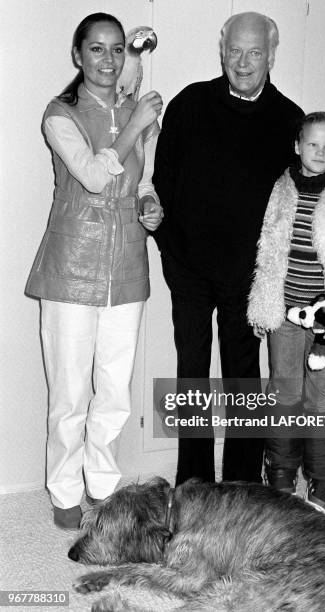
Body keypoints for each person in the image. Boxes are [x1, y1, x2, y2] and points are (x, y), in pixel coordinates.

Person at [153, 12, 325, 486]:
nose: (244, 61)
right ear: (222, 50)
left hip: (251, 278)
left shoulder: (288, 119)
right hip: (189, 270)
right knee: (191, 375)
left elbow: (322, 180)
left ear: (272, 54)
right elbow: (162, 183)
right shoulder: (189, 104)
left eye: (255, 51)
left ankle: (242, 485)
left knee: (244, 381)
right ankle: (193, 485)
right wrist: (167, 246)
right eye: (235, 50)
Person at [25, 13, 163, 529]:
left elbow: (136, 180)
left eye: (115, 50)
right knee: (69, 391)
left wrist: (151, 205)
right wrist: (132, 126)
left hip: (127, 262)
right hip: (71, 265)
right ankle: (64, 488)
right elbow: (90, 176)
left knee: (115, 387)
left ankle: (102, 485)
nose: (108, 60)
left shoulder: (134, 112)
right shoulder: (59, 114)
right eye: (97, 49)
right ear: (78, 55)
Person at [248, 112, 325, 514]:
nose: (321, 153)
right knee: (284, 394)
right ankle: (281, 473)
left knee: (322, 400)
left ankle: (324, 482)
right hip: (283, 315)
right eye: (313, 144)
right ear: (298, 146)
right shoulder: (278, 191)